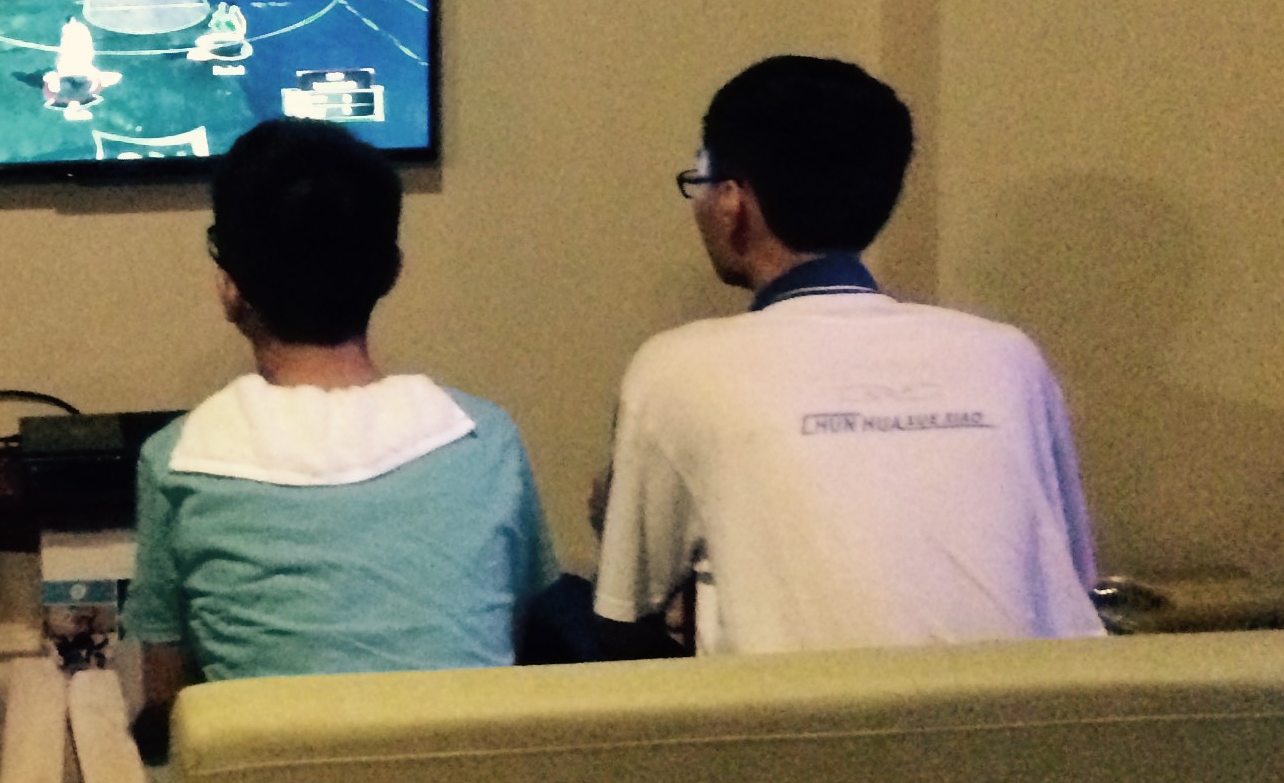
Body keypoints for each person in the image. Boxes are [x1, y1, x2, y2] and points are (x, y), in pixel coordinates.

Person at [578, 54, 1103, 657]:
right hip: (1039, 710)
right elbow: (1072, 583)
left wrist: (617, 523)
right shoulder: (1008, 358)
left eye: (700, 180)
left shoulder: (677, 368)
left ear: (732, 202)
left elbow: (623, 623)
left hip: (808, 716)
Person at [128, 120, 556, 704]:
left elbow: (167, 700)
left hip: (264, 766)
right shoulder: (487, 440)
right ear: (392, 270)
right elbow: (509, 642)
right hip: (465, 762)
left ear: (229, 288)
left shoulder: (177, 460)